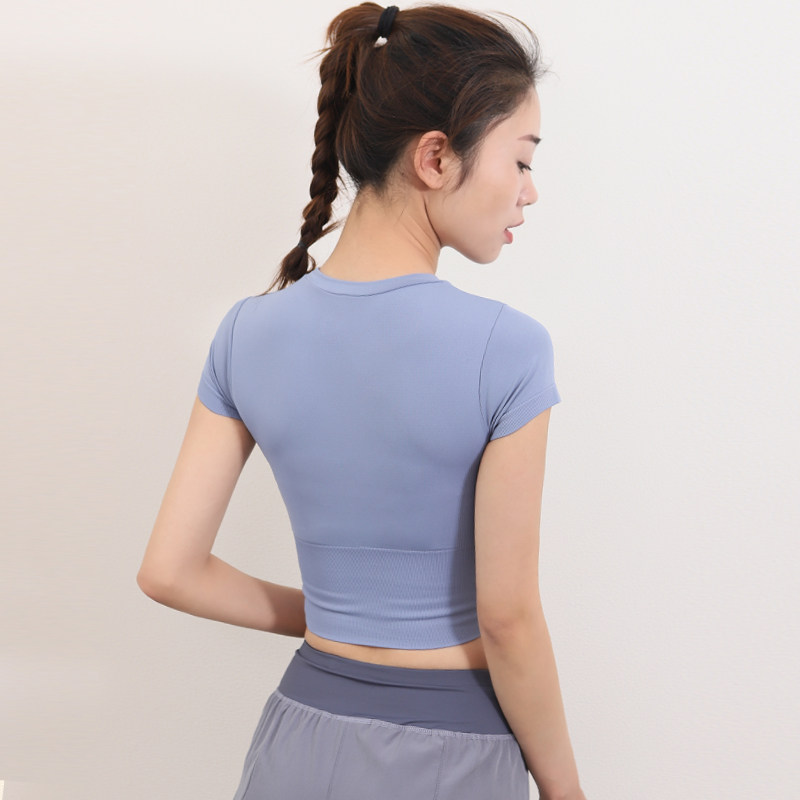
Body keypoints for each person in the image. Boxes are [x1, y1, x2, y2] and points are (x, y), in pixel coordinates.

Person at [137, 3, 586, 799]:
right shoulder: (507, 348)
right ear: (436, 157)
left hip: (296, 738)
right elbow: (507, 618)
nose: (531, 192)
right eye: (521, 161)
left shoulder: (245, 332)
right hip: (450, 752)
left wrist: (337, 615)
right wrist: (566, 791)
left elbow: (170, 571)